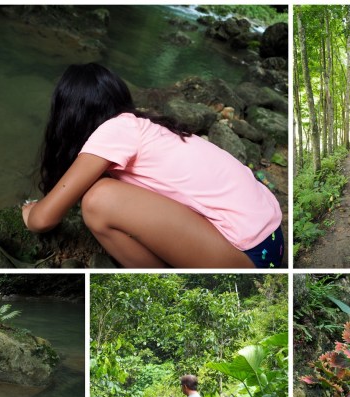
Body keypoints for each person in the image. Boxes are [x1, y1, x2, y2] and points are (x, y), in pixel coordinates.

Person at [21, 63, 284, 268]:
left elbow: (42, 220)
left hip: (250, 256)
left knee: (98, 200)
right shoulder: (140, 126)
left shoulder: (112, 132)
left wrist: (28, 210)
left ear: (69, 115)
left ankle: (160, 280)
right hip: (270, 239)